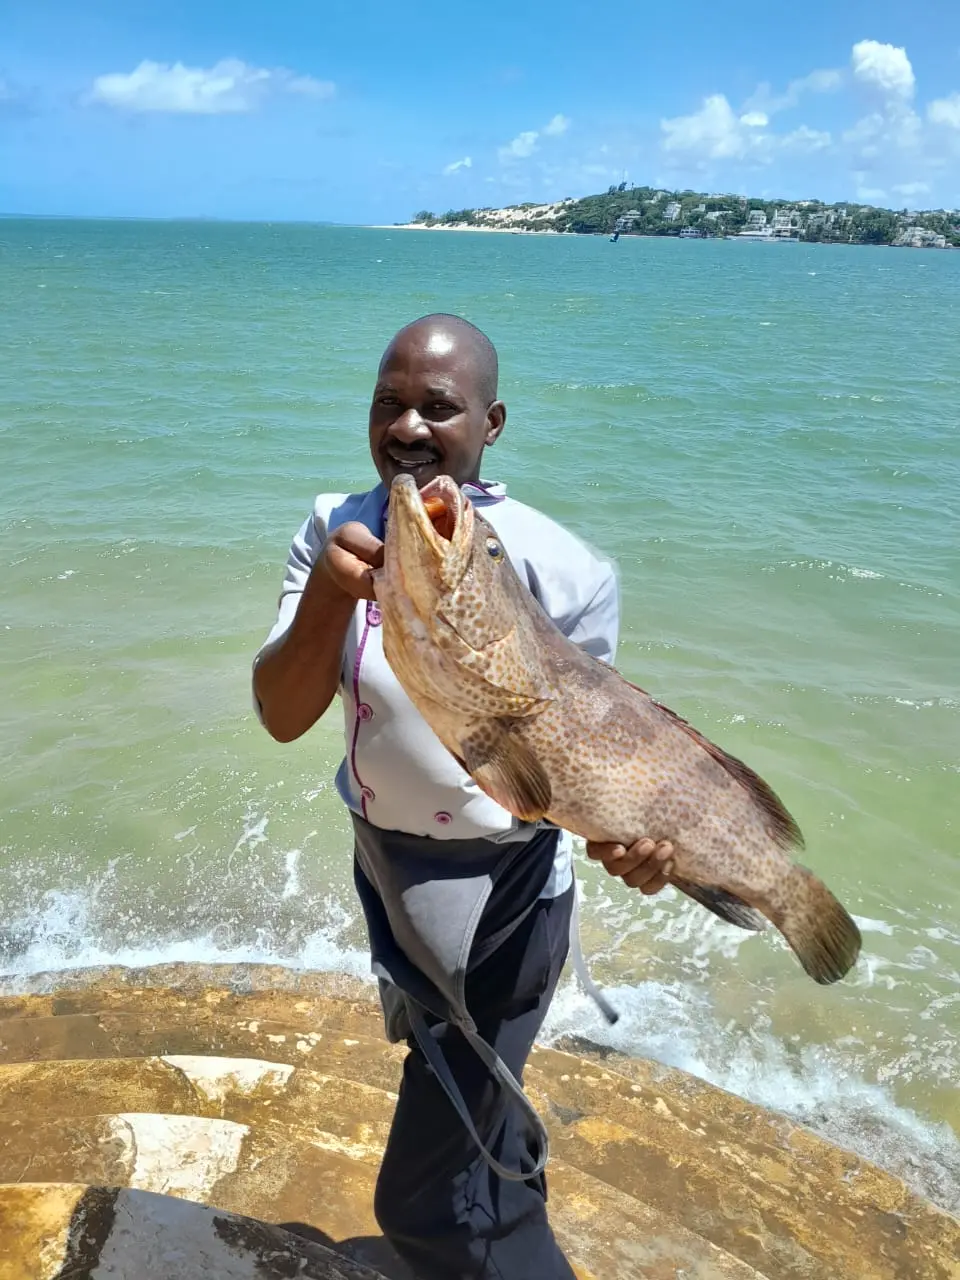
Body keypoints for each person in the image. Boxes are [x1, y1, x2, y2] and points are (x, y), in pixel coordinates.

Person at [253, 314, 673, 1280]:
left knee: (427, 1198)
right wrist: (329, 593)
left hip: (507, 899)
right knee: (469, 1112)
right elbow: (282, 714)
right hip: (388, 875)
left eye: (437, 408)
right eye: (387, 404)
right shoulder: (332, 527)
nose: (406, 427)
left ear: (492, 422)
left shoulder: (566, 568)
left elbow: (578, 755)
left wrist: (639, 844)